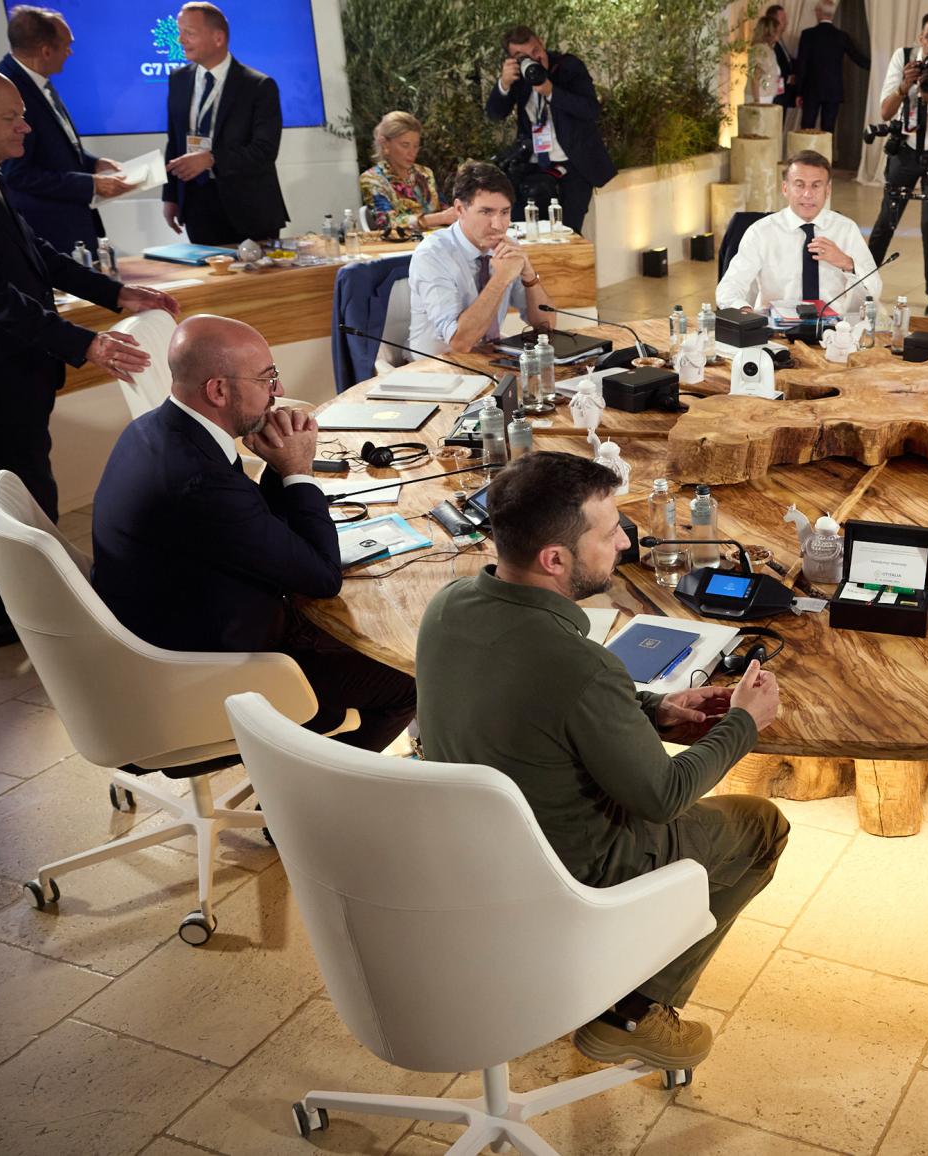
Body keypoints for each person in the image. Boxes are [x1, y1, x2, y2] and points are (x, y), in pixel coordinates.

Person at [415, 451, 788, 1072]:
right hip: (568, 871)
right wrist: (745, 721)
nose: (624, 539)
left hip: (470, 856)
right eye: (609, 531)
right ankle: (634, 1013)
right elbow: (664, 796)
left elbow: (544, 705)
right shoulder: (582, 665)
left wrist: (655, 708)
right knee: (759, 826)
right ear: (555, 559)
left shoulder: (447, 605)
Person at [0, 62, 173, 649]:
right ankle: (27, 621)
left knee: (20, 492)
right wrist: (87, 342)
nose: (26, 129)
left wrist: (115, 293)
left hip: (7, 362)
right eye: (12, 117)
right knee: (21, 496)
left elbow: (34, 253)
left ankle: (14, 618)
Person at [90, 314, 417, 752]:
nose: (277, 392)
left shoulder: (154, 429)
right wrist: (298, 471)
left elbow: (245, 527)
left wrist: (280, 469)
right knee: (409, 678)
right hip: (211, 675)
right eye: (267, 379)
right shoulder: (199, 482)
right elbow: (322, 577)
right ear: (218, 390)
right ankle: (313, 804)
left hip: (169, 636)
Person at [0, 5, 130, 255]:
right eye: (66, 45)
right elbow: (17, 173)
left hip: (71, 227)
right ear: (46, 51)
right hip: (47, 232)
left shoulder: (37, 81)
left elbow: (54, 147)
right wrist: (90, 184)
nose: (70, 52)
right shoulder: (8, 90)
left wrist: (93, 163)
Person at [161, 2, 288, 246]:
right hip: (197, 207)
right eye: (180, 32)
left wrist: (212, 158)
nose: (180, 39)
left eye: (189, 33)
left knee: (257, 285)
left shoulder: (259, 86)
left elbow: (265, 151)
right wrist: (171, 197)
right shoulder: (178, 80)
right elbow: (174, 142)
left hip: (250, 211)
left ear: (218, 38)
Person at [867, 10, 928, 317]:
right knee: (886, 219)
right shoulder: (903, 58)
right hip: (905, 149)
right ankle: (862, 284)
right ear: (920, 38)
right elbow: (884, 113)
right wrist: (903, 87)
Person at [407, 161, 555, 355]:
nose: (498, 225)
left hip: (489, 359)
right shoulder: (432, 255)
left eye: (505, 212)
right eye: (486, 212)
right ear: (459, 210)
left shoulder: (508, 248)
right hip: (436, 367)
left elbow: (547, 326)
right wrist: (501, 278)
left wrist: (529, 276)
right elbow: (460, 344)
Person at [485, 24, 614, 234]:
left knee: (566, 234)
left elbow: (591, 110)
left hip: (573, 166)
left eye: (535, 51)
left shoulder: (568, 67)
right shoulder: (518, 77)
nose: (534, 60)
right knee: (523, 230)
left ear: (542, 44)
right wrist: (504, 84)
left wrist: (551, 92)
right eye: (522, 56)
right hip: (534, 166)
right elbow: (494, 114)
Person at [717, 150, 878, 314]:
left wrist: (847, 263)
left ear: (827, 190)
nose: (808, 194)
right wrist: (744, 311)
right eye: (799, 185)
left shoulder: (846, 229)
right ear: (785, 188)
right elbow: (729, 287)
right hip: (776, 329)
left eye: (816, 185)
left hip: (833, 330)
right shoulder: (761, 232)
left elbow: (875, 290)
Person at [358, 111, 456, 234]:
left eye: (416, 146)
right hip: (404, 247)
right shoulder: (372, 179)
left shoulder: (425, 173)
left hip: (438, 242)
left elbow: (443, 208)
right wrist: (436, 219)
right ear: (385, 144)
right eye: (405, 145)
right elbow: (385, 222)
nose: (412, 152)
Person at [794, 1, 868, 133]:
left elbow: (802, 65)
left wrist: (798, 92)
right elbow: (858, 58)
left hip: (811, 90)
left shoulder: (808, 35)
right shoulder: (841, 36)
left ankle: (805, 153)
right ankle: (825, 154)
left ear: (819, 13)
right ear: (832, 14)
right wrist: (877, 66)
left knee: (806, 129)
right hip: (833, 90)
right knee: (828, 131)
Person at [765, 4, 797, 116]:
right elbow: (770, 70)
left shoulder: (780, 41)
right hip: (774, 97)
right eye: (783, 19)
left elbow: (787, 61)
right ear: (773, 21)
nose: (786, 22)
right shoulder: (769, 44)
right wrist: (789, 79)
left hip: (783, 94)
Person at [747, 15, 785, 105]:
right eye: (778, 31)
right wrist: (756, 101)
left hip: (765, 96)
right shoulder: (760, 50)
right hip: (760, 97)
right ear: (770, 32)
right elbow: (755, 76)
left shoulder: (767, 49)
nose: (780, 33)